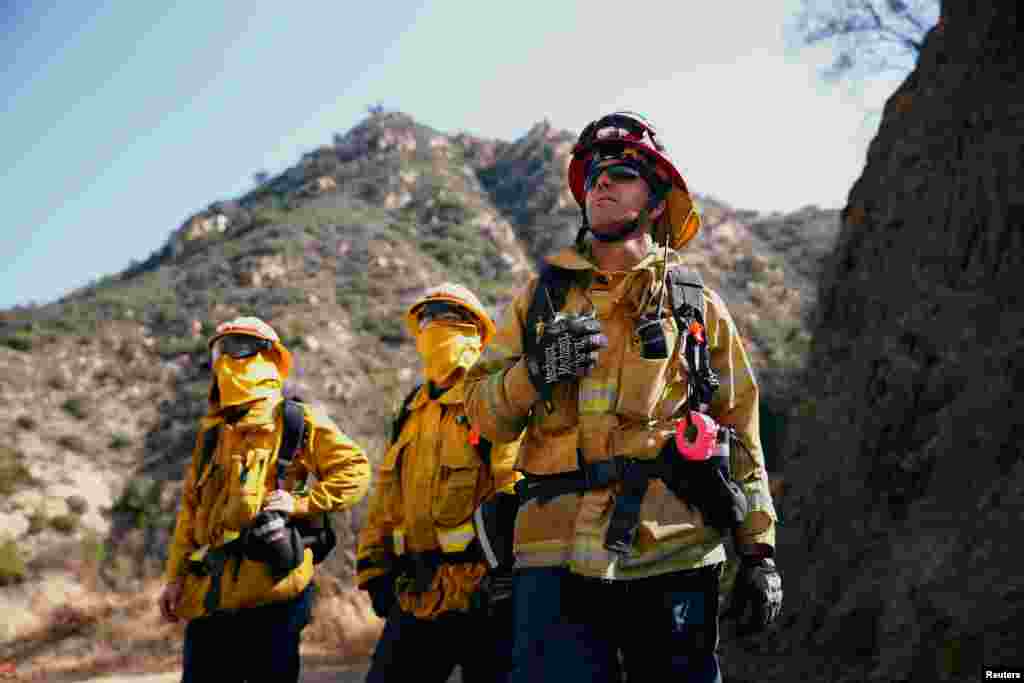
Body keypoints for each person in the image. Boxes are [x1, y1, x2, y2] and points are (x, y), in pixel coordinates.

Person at [464, 111, 783, 683]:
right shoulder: (537, 301)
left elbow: (742, 430)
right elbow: (483, 416)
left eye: (622, 172)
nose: (601, 183)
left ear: (657, 201)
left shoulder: (698, 307)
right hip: (552, 554)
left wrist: (758, 552)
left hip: (674, 552)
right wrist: (534, 373)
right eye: (592, 176)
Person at [157, 316, 371, 683]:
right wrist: (175, 578)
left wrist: (300, 502)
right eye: (220, 350)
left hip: (274, 598)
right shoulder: (213, 435)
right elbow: (189, 514)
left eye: (240, 346)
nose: (227, 358)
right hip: (211, 598)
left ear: (270, 358)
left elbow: (356, 472)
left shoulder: (296, 421)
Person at [356, 283, 521, 683]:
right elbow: (386, 500)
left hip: (484, 597)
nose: (435, 326)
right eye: (427, 318)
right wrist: (373, 571)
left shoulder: (489, 398)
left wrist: (511, 578)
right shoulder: (411, 410)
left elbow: (513, 484)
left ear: (477, 332)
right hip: (417, 593)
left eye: (449, 317)